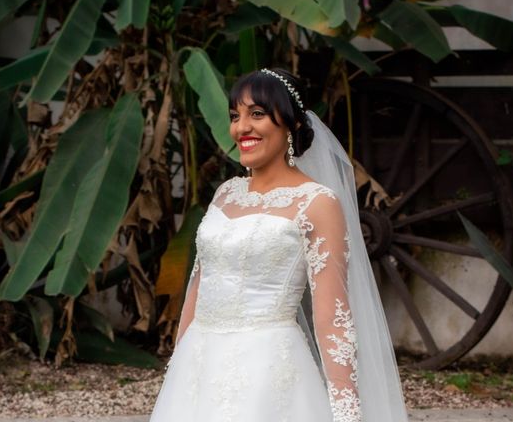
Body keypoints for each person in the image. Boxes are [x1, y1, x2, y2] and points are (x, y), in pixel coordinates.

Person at [149, 68, 409, 422]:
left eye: (256, 114)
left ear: (291, 125)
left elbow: (333, 317)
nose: (242, 127)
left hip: (268, 370)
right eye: (235, 116)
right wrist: (177, 370)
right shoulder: (226, 194)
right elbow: (198, 284)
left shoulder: (317, 203)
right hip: (197, 367)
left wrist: (346, 410)